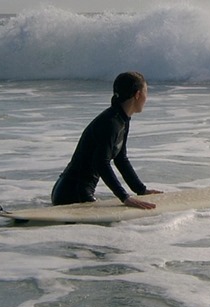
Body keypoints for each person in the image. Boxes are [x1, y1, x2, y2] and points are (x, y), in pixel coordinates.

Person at [51, 71, 161, 209]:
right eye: (146, 93)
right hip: (72, 194)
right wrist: (124, 197)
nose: (147, 98)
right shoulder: (111, 123)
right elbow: (101, 163)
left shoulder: (122, 119)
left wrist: (141, 190)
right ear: (138, 95)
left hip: (75, 191)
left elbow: (121, 159)